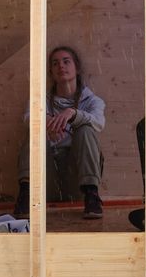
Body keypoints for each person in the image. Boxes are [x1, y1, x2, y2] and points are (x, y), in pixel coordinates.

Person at [14, 44, 106, 221]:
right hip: (45, 179)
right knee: (35, 129)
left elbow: (98, 123)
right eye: (55, 63)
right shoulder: (40, 101)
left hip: (77, 179)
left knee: (86, 129)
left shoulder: (93, 100)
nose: (61, 66)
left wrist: (73, 114)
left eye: (66, 61)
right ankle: (26, 192)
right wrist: (46, 122)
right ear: (51, 71)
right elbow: (27, 118)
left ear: (76, 68)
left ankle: (92, 194)